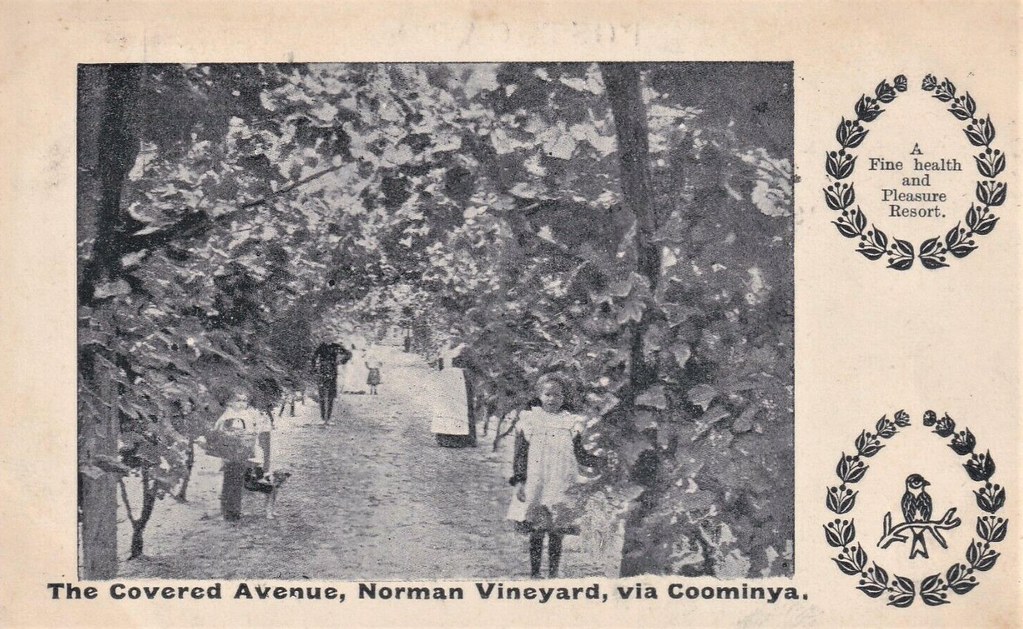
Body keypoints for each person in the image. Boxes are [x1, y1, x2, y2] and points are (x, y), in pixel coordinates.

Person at [506, 374, 601, 578]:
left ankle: (553, 573)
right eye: (547, 394)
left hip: (561, 480)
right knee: (537, 527)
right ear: (539, 395)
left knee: (557, 527)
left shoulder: (571, 422)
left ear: (564, 397)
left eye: (557, 395)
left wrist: (598, 461)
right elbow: (520, 454)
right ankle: (534, 573)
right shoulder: (530, 420)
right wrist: (520, 481)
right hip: (537, 480)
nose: (552, 399)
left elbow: (579, 452)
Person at [312, 341, 351, 424]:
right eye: (327, 336)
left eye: (330, 336)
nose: (328, 338)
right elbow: (314, 357)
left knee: (331, 396)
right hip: (322, 372)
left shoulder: (336, 346)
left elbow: (348, 353)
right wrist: (315, 368)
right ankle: (322, 418)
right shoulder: (321, 346)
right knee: (322, 395)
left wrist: (341, 361)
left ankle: (328, 418)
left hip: (333, 371)